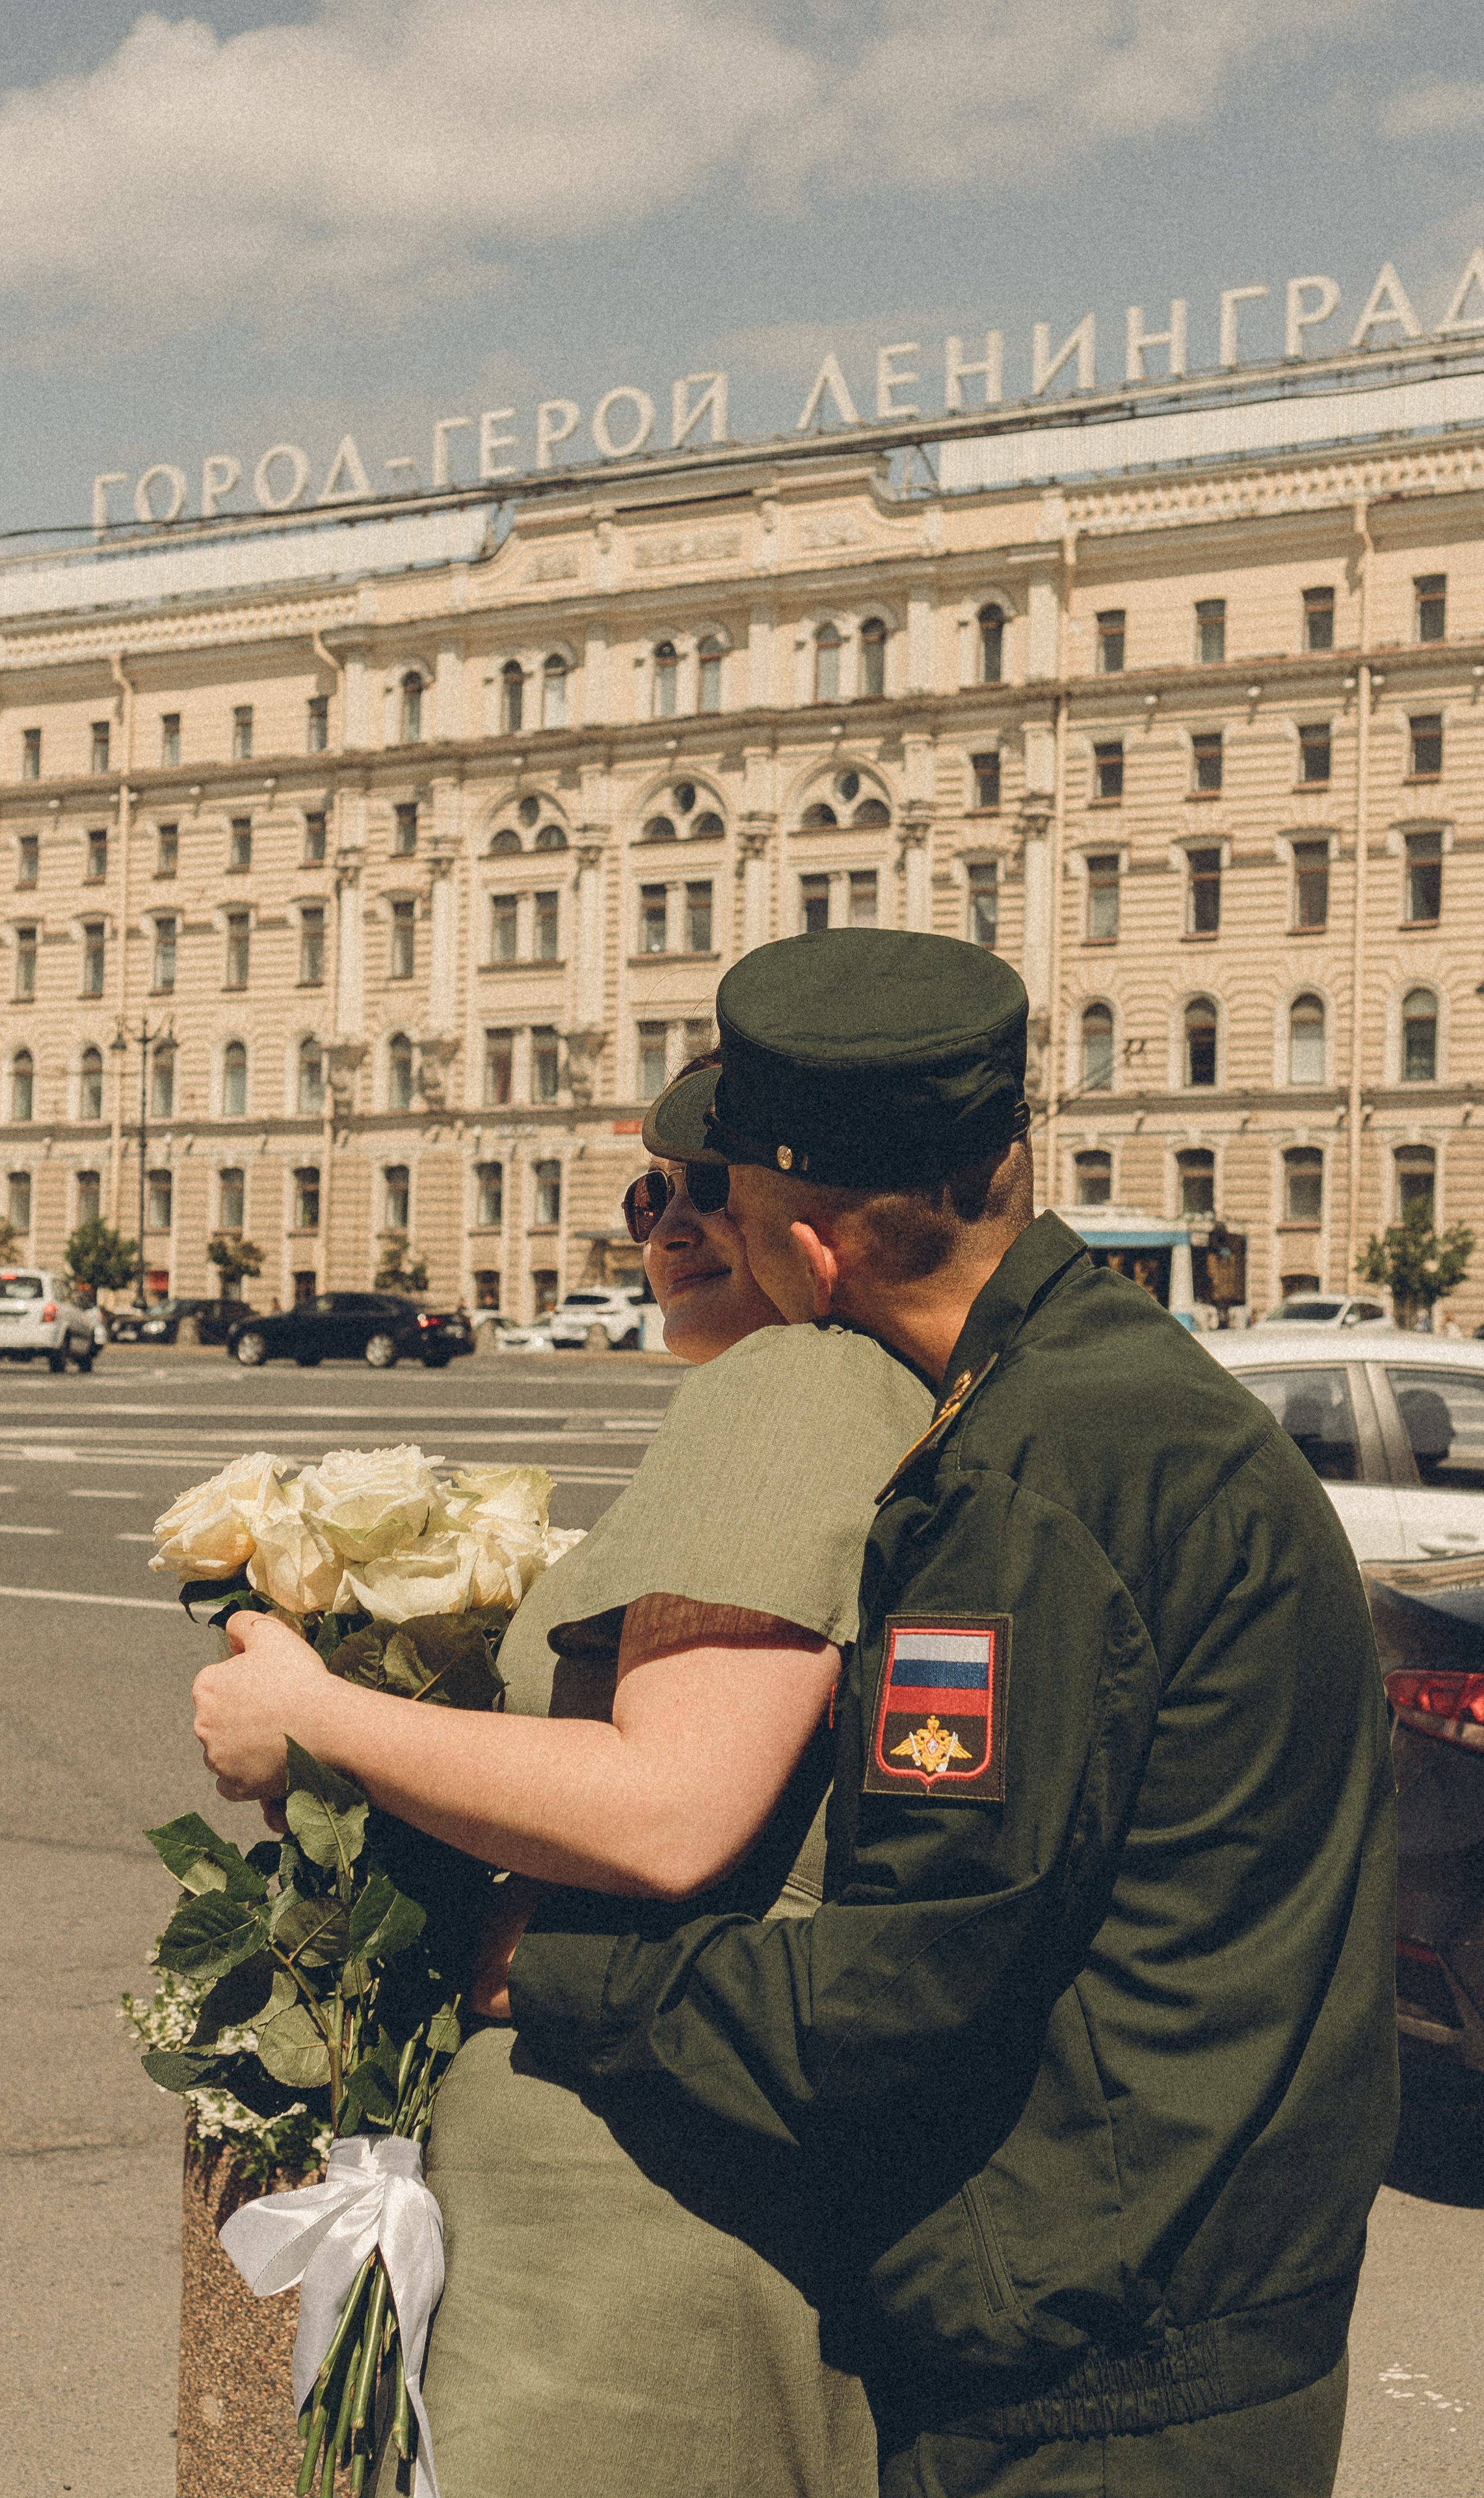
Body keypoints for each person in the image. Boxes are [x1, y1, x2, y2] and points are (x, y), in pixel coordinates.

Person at [498, 930, 1399, 2498]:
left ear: (818, 1256)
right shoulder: (1127, 1399)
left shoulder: (1024, 1481)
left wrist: (556, 1975)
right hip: (1192, 2312)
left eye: (731, 1204)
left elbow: (903, 1990)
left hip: (1094, 2383)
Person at [191, 1060, 937, 2498]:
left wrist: (317, 1718)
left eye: (710, 1188)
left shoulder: (802, 1380)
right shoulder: (847, 1389)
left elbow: (668, 1809)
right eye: (646, 1191)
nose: (664, 1226)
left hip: (626, 2212)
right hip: (681, 2171)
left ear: (814, 1214)